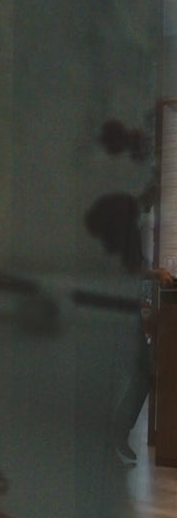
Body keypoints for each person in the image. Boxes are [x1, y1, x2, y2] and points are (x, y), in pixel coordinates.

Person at [85, 190, 175, 462]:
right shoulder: (125, 223)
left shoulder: (128, 222)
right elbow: (126, 270)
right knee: (136, 375)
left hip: (120, 309)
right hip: (118, 311)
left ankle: (114, 437)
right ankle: (114, 436)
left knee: (129, 377)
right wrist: (156, 273)